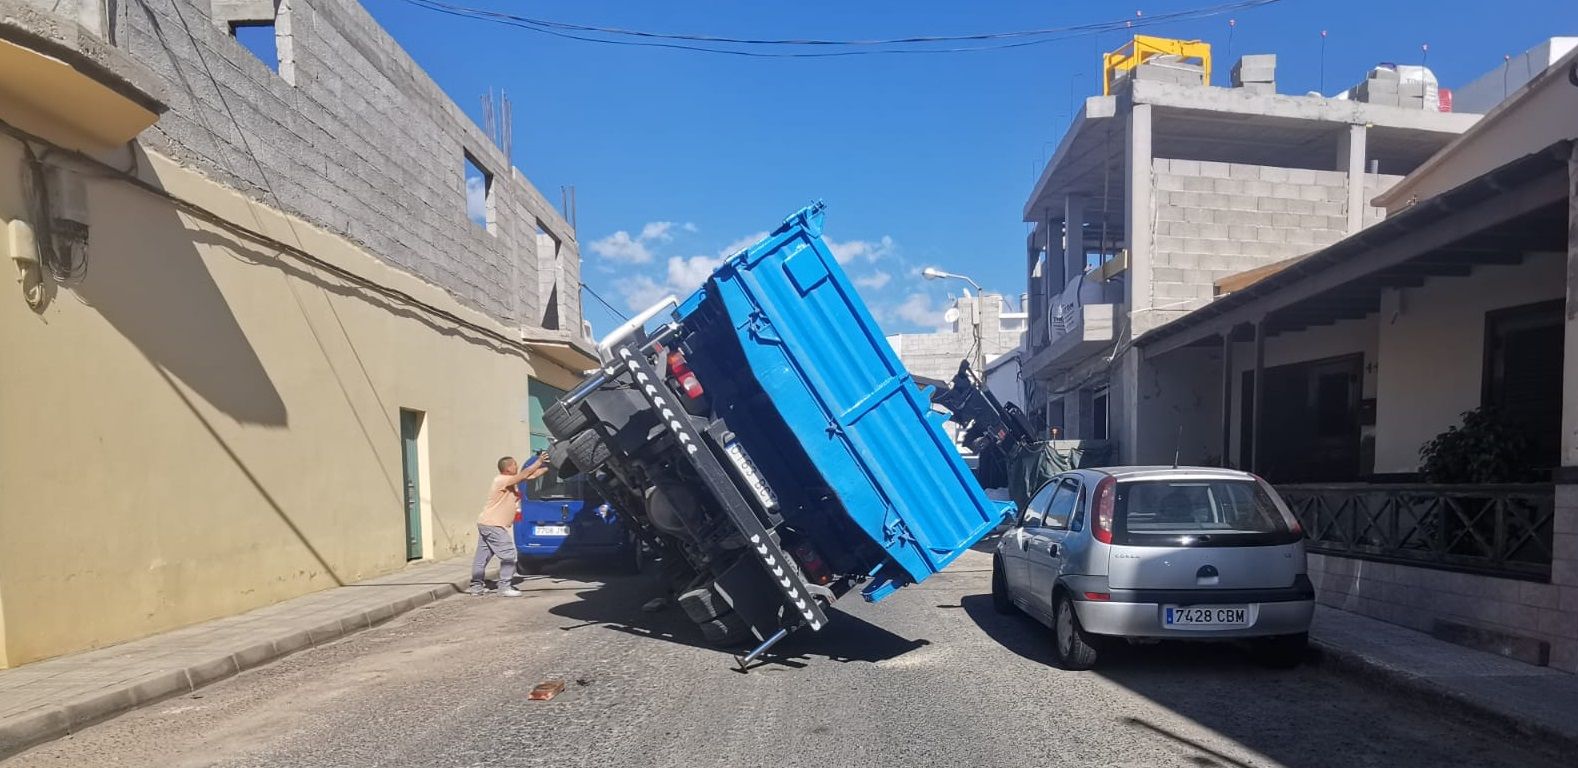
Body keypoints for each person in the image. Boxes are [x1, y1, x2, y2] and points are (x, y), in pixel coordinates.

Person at [469, 451, 549, 596]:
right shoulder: (501, 480)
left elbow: (532, 475)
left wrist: (549, 466)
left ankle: (476, 587)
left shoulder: (511, 480)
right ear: (507, 468)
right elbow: (525, 473)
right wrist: (538, 460)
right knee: (509, 555)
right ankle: (504, 587)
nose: (516, 465)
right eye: (514, 464)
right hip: (493, 525)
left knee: (482, 558)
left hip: (487, 523)